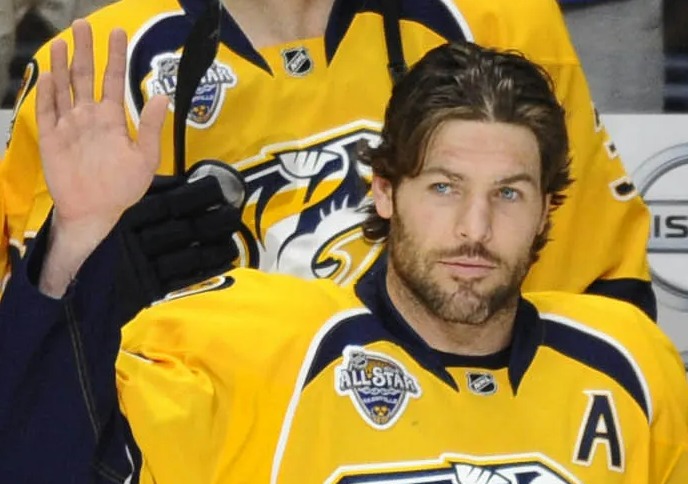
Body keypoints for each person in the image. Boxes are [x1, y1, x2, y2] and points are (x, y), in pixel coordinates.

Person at [1, 22, 687, 484]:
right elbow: (33, 469)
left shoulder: (630, 366)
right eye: (444, 187)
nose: (475, 228)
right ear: (385, 191)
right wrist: (76, 239)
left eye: (508, 193)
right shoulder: (257, 347)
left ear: (546, 210)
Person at [0, 0, 656, 318]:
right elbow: (28, 367)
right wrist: (82, 268)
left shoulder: (499, 23)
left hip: (449, 458)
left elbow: (599, 290)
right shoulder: (93, 66)